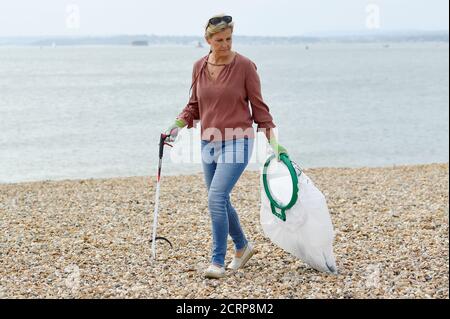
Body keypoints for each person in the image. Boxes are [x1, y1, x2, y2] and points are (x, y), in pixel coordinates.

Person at [163, 14, 288, 279]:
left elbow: (259, 107)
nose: (225, 44)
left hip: (239, 139)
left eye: (229, 38)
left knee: (215, 198)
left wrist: (275, 143)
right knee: (220, 198)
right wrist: (174, 127)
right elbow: (194, 106)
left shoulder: (245, 66)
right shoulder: (199, 66)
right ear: (208, 40)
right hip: (208, 141)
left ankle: (217, 261)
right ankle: (242, 248)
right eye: (219, 40)